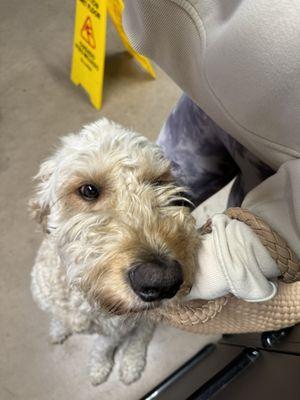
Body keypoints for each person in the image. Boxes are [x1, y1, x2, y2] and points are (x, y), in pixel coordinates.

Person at [122, 0, 300, 302]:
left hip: (288, 145)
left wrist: (234, 258)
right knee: (150, 191)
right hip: (215, 93)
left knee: (238, 227)